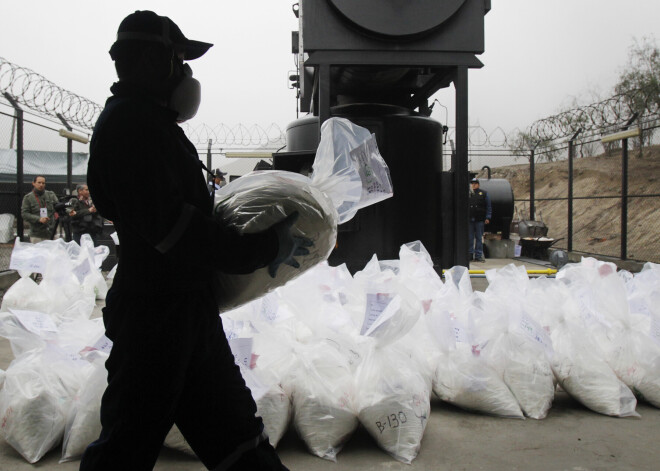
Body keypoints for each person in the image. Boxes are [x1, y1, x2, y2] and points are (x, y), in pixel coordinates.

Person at [81, 11, 310, 471]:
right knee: (126, 445)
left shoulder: (151, 124)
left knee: (237, 435)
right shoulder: (131, 127)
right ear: (151, 60)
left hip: (184, 311)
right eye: (180, 60)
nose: (187, 74)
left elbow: (185, 212)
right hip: (156, 319)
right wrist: (263, 249)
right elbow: (174, 230)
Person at [20, 175, 59, 243]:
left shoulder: (51, 195)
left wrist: (69, 211)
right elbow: (24, 214)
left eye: (43, 183)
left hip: (51, 232)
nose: (41, 185)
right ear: (33, 183)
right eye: (39, 182)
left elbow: (58, 207)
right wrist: (39, 219)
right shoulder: (28, 198)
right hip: (37, 234)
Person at [468, 177, 492, 262]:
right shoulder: (469, 194)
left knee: (478, 237)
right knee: (470, 237)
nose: (473, 185)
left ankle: (478, 255)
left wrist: (488, 217)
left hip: (480, 219)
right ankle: (470, 254)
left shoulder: (484, 194)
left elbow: (488, 206)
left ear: (478, 184)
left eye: (475, 183)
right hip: (470, 219)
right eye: (472, 183)